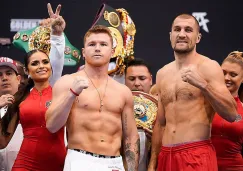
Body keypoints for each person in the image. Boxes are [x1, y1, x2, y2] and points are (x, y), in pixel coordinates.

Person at [148, 14, 238, 171]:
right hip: (166, 156)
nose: (182, 34)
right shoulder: (162, 73)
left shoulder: (208, 67)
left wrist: (203, 85)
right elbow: (161, 124)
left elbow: (231, 114)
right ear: (170, 36)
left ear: (198, 37)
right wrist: (153, 163)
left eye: (188, 30)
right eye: (177, 29)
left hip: (196, 153)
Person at [45, 25, 139, 171]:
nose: (97, 48)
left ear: (112, 51)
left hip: (114, 164)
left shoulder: (123, 92)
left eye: (103, 44)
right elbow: (52, 126)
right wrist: (72, 94)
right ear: (83, 52)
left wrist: (131, 169)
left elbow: (131, 137)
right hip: (80, 160)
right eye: (92, 44)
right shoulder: (67, 82)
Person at [0, 3, 67, 171]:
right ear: (27, 71)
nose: (41, 66)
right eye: (35, 63)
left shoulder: (57, 89)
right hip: (25, 165)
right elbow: (2, 142)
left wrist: (57, 35)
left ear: (51, 67)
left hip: (58, 164)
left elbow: (58, 59)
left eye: (45, 62)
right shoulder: (20, 98)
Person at [211, 51, 243, 171]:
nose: (226, 78)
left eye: (233, 75)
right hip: (205, 165)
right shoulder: (205, 103)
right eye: (223, 73)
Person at [0, 57, 23, 171]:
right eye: (0, 75)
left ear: (18, 79)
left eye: (9, 73)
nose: (4, 78)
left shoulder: (29, 105)